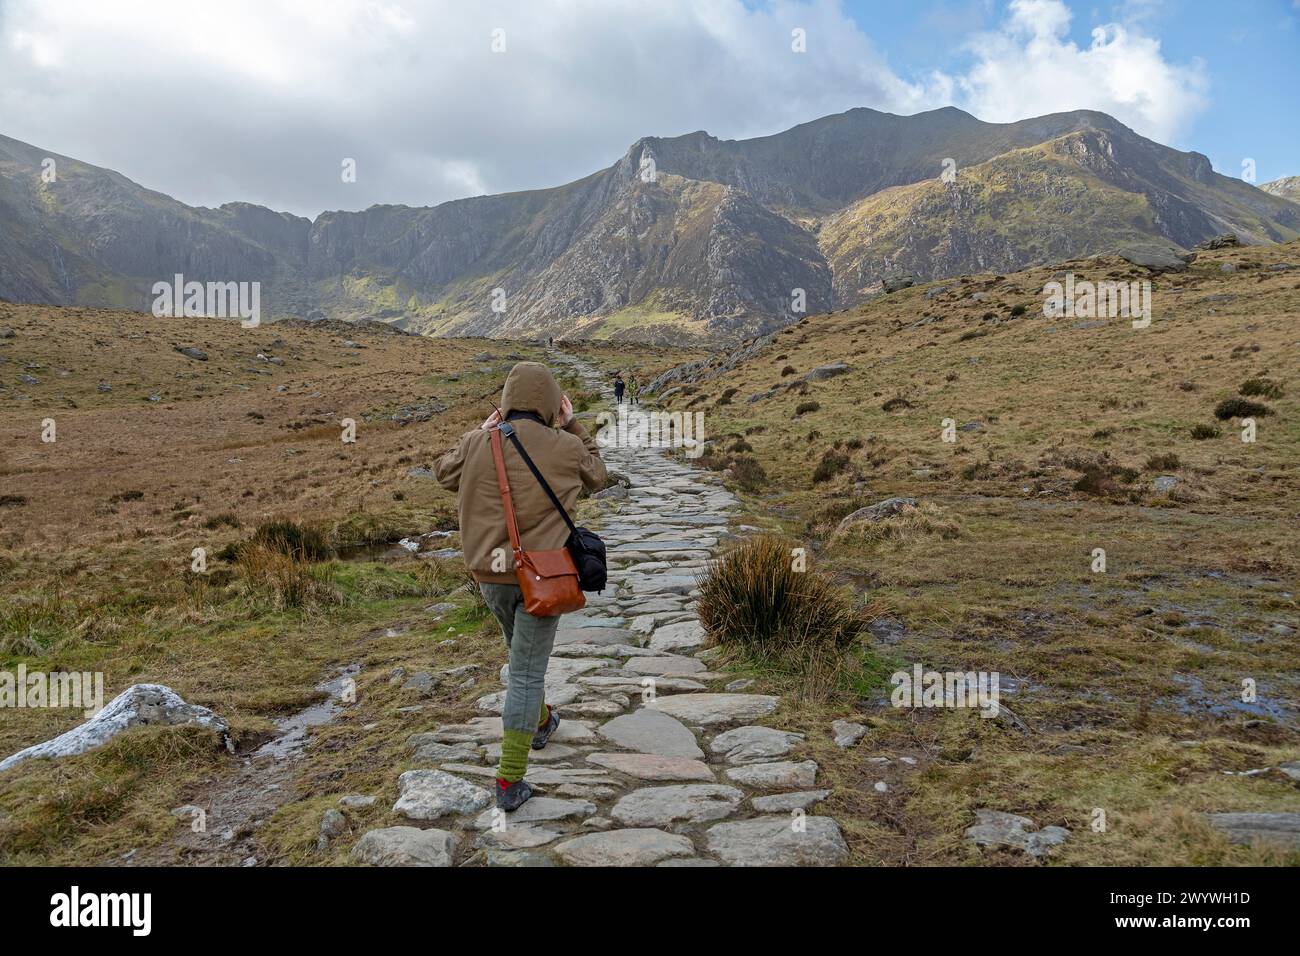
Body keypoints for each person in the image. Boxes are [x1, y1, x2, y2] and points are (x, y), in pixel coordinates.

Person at [435, 362, 607, 810]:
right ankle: (510, 780)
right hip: (542, 579)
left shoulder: (478, 443)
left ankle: (543, 719)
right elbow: (598, 476)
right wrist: (574, 424)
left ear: (507, 400)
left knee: (521, 662)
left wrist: (480, 430)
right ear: (552, 403)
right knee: (527, 672)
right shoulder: (566, 446)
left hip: (490, 578)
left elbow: (445, 474)